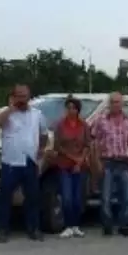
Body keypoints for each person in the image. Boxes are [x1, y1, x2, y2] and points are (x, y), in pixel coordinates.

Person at [0, 83, 48, 243]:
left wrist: (41, 149)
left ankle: (33, 228)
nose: (22, 99)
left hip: (30, 161)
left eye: (25, 96)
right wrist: (9, 110)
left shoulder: (37, 114)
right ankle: (1, 230)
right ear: (13, 96)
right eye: (19, 96)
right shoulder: (5, 112)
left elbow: (44, 133)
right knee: (4, 197)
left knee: (33, 197)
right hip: (11, 162)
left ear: (29, 97)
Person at [91, 92, 128, 236]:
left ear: (122, 104)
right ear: (108, 104)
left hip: (124, 162)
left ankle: (123, 224)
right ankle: (107, 225)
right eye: (112, 102)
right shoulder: (101, 120)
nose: (115, 105)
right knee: (106, 197)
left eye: (118, 102)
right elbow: (95, 142)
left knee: (127, 197)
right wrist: (97, 162)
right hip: (108, 162)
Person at [53, 97, 90, 238]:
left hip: (80, 166)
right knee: (67, 197)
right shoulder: (60, 125)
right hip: (65, 164)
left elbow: (87, 145)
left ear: (78, 110)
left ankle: (76, 225)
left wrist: (80, 161)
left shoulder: (83, 125)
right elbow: (58, 146)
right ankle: (68, 225)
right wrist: (72, 158)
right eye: (68, 108)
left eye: (73, 108)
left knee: (77, 197)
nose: (71, 110)